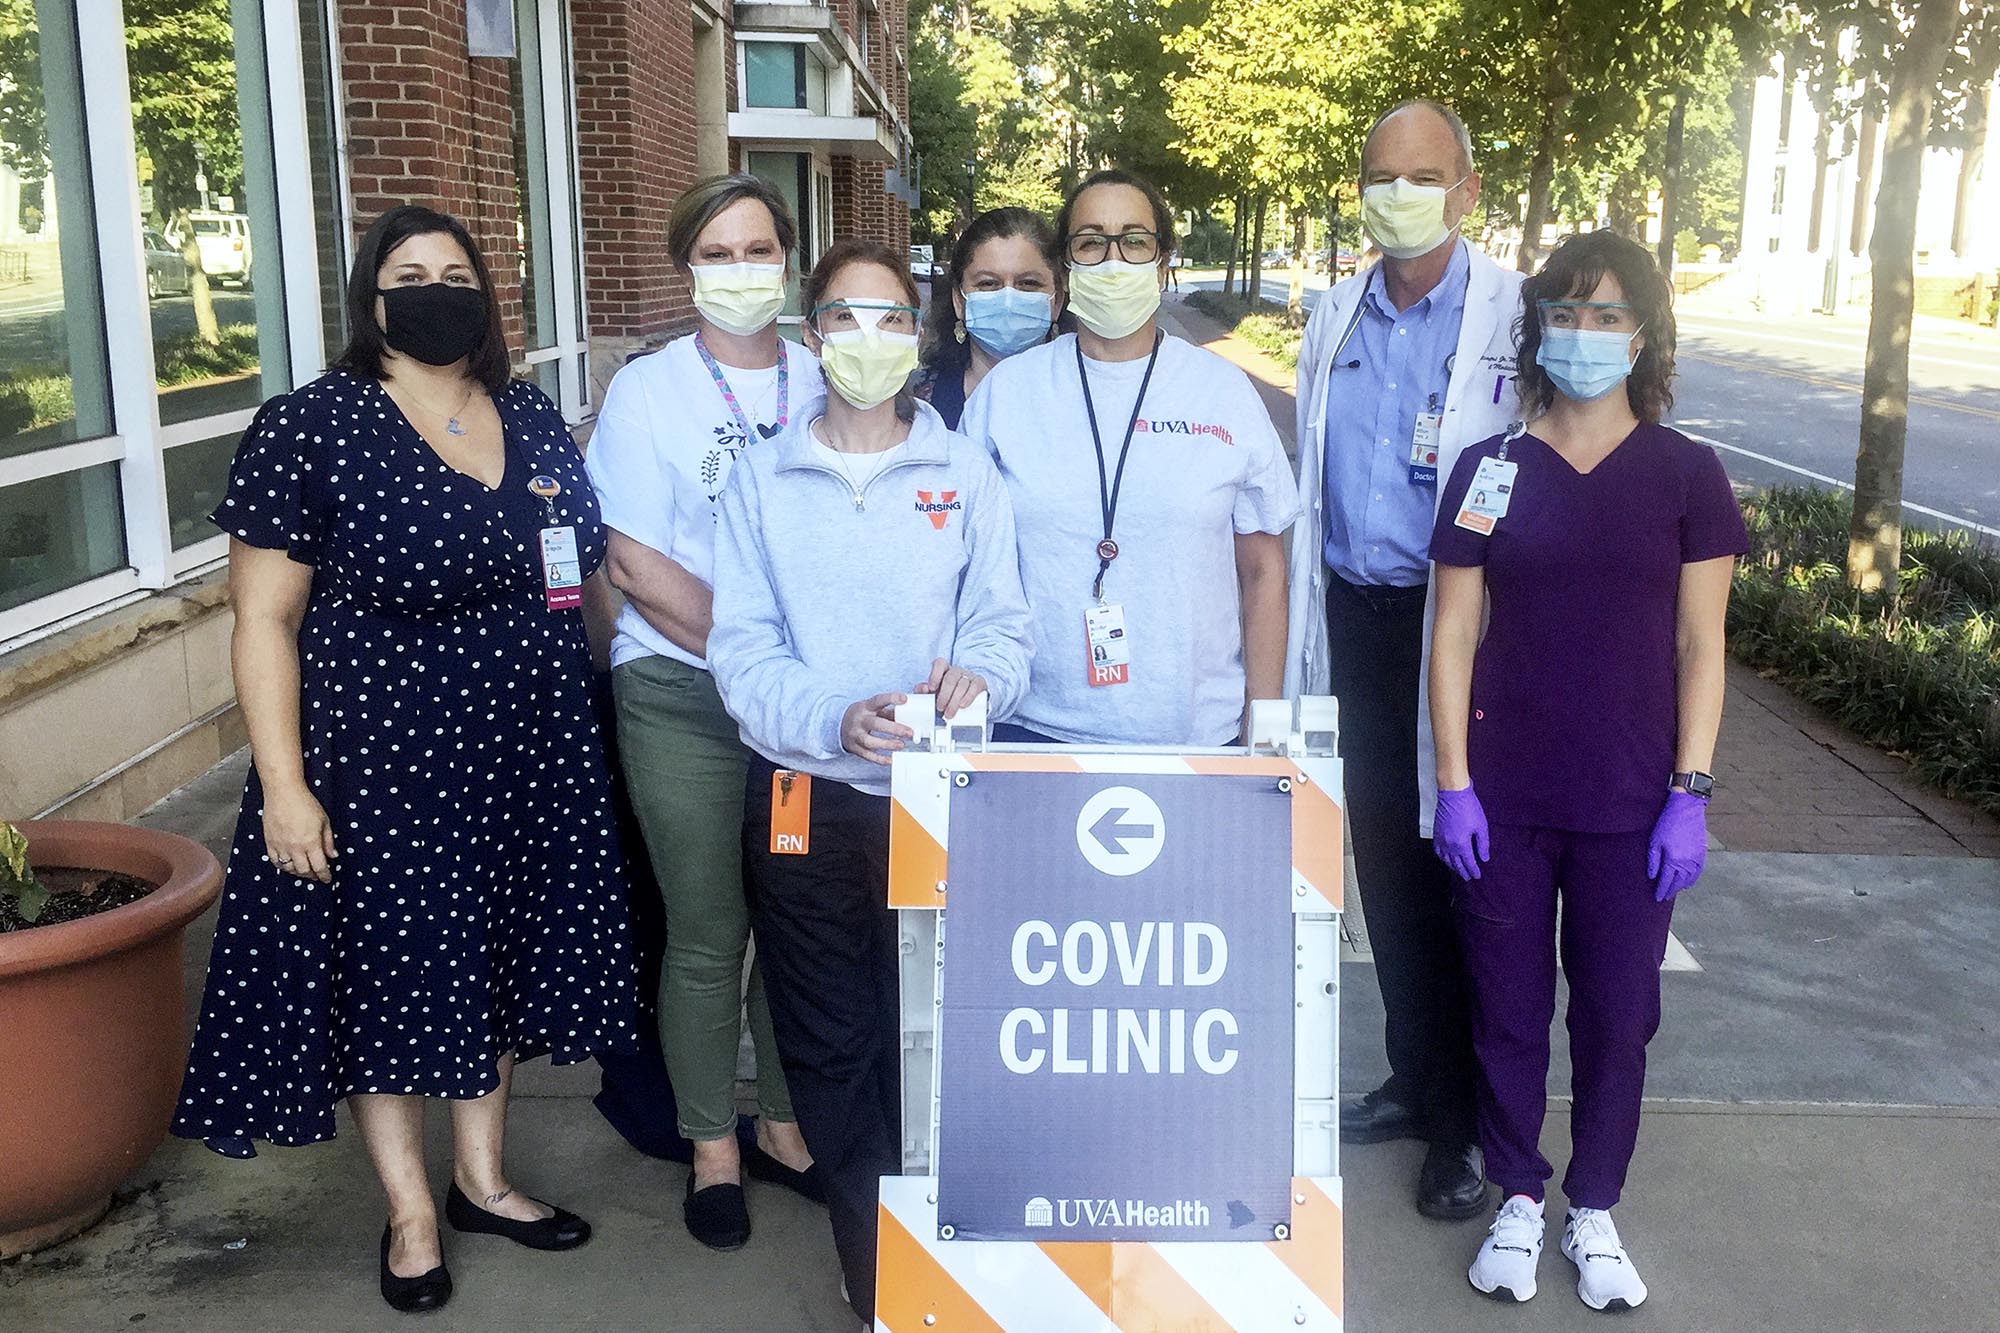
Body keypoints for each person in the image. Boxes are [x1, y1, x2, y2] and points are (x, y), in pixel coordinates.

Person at [171, 205, 635, 1314]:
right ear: (368, 301)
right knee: (395, 977)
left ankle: (480, 1181)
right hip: (382, 761)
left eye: (455, 271)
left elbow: (576, 578)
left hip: (531, 751)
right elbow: (263, 622)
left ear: (486, 293)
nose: (435, 289)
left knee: (497, 962)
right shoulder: (311, 425)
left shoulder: (526, 411)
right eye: (408, 273)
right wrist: (282, 783)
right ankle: (411, 1211)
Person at [707, 239, 1033, 1326]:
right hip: (804, 799)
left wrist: (975, 678)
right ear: (811, 337)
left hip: (938, 802)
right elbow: (740, 650)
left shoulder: (963, 473)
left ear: (918, 335)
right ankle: (875, 1255)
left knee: (932, 1029)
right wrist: (828, 718)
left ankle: (947, 1229)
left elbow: (1002, 624)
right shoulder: (761, 480)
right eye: (844, 317)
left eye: (892, 318)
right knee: (830, 1035)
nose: (868, 339)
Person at [1428, 229, 1746, 1311]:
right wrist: (1452, 782)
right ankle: (1518, 1194)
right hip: (1503, 800)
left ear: (1645, 332)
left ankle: (1593, 1205)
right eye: (1563, 310)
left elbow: (1702, 645)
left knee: (1617, 1014)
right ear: (1535, 328)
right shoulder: (1488, 472)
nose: (1582, 332)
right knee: (1506, 1008)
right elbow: (1452, 635)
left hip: (1629, 803)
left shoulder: (1685, 477)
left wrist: (1688, 795)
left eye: (1606, 313)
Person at [1283, 100, 1524, 1220]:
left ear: (1466, 191)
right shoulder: (1334, 313)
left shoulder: (1509, 322)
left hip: (1464, 631)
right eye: (1381, 174)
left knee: (1464, 875)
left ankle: (1462, 1124)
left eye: (1422, 176)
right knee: (1382, 866)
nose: (1399, 194)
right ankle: (1412, 1074)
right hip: (1354, 619)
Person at [583, 173, 822, 1251]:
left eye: (757, 249)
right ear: (687, 269)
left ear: (787, 258)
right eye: (716, 254)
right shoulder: (648, 391)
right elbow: (630, 559)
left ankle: (781, 1127)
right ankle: (709, 1147)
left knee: (794, 927)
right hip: (680, 695)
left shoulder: (825, 380)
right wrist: (751, 652)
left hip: (801, 710)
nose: (740, 271)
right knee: (704, 929)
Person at [960, 168, 1297, 749]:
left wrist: (1262, 725)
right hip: (1032, 727)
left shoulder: (1223, 392)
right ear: (1066, 267)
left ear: (1165, 262)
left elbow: (1263, 570)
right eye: (1091, 242)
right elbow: (963, 564)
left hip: (1196, 735)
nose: (1113, 261)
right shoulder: (1007, 394)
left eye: (1134, 241)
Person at [916, 207, 1062, 429]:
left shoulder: (1088, 397)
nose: (1008, 299)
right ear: (959, 300)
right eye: (988, 284)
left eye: (1028, 284)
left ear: (1057, 301)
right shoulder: (915, 405)